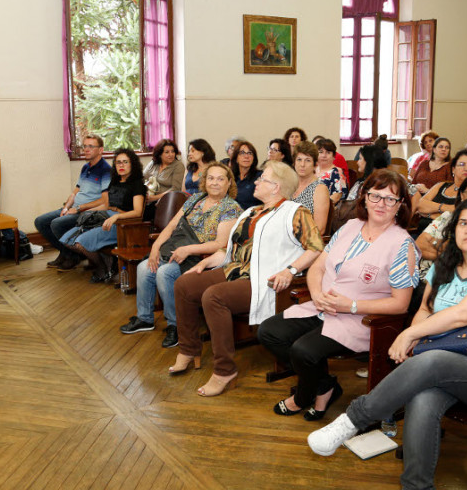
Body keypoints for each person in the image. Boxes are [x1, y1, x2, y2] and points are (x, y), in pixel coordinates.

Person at [307, 197, 467, 490]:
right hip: (445, 364)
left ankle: (353, 420)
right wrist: (414, 335)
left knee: (433, 361)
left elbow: (463, 315)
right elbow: (425, 310)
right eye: (463, 223)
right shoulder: (444, 266)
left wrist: (409, 335)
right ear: (453, 231)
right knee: (422, 397)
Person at [258, 169, 418, 420]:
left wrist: (351, 305)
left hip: (361, 319)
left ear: (400, 206)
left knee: (303, 351)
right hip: (322, 305)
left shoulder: (402, 245)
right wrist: (316, 293)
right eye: (376, 196)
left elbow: (400, 305)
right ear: (364, 197)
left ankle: (302, 396)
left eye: (390, 199)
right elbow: (319, 266)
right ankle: (324, 386)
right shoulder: (350, 227)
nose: (381, 204)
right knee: (269, 332)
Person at [171, 161, 324, 397]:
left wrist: (290, 270)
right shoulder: (251, 211)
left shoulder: (295, 212)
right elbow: (230, 251)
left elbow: (315, 248)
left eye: (262, 179)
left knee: (214, 297)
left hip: (263, 280)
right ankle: (189, 349)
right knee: (184, 284)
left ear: (276, 187)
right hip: (236, 270)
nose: (256, 181)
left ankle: (224, 370)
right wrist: (203, 262)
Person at [121, 162, 241, 348]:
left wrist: (189, 249)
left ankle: (176, 326)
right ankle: (145, 318)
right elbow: (171, 226)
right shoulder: (194, 199)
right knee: (144, 267)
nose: (215, 183)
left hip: (204, 258)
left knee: (165, 272)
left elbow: (220, 244)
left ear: (228, 184)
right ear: (204, 181)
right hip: (177, 249)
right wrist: (154, 249)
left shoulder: (230, 208)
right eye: (210, 178)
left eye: (220, 179)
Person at [60, 148, 146, 283]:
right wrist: (90, 211)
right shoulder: (114, 182)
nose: (121, 165)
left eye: (125, 162)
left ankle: (103, 269)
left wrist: (116, 216)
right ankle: (108, 263)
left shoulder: (137, 185)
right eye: (118, 163)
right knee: (67, 239)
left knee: (80, 243)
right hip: (105, 217)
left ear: (132, 164)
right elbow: (106, 205)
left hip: (122, 224)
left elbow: (138, 212)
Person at [35, 135, 110, 271]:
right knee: (40, 221)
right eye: (85, 146)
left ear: (100, 150)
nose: (86, 149)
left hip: (87, 212)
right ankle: (68, 253)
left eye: (91, 146)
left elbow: (105, 201)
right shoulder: (86, 167)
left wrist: (79, 209)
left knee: (56, 224)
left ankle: (71, 255)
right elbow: (75, 193)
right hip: (74, 208)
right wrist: (65, 208)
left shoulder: (106, 170)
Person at [414, 149, 467, 236]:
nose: (466, 169)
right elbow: (420, 205)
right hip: (420, 234)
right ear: (453, 169)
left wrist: (429, 214)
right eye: (462, 164)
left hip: (446, 239)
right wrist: (447, 209)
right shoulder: (441, 185)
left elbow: (458, 219)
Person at [291, 141, 331, 231]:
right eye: (299, 160)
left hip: (305, 241)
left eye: (308, 160)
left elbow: (320, 229)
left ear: (315, 164)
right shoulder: (290, 185)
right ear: (294, 163)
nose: (302, 164)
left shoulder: (319, 189)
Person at [142, 139, 184, 204]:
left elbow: (175, 189)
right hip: (150, 197)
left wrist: (154, 198)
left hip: (167, 201)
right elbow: (142, 177)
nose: (171, 155)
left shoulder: (178, 166)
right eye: (167, 152)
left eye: (173, 151)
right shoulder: (153, 163)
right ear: (159, 154)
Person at [315, 138, 348, 204]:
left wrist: (320, 207)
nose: (324, 156)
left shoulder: (338, 172)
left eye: (328, 153)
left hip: (328, 209)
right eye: (320, 152)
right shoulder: (312, 170)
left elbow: (337, 196)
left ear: (334, 156)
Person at [230, 140, 260, 210]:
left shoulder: (260, 177)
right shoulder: (231, 177)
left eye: (250, 153)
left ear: (254, 158)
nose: (246, 156)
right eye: (242, 153)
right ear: (236, 158)